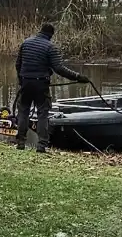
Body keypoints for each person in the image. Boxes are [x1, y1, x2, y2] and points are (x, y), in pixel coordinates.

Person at [14, 22, 89, 152]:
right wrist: (78, 77)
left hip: (26, 82)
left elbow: (18, 64)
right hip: (41, 84)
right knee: (43, 113)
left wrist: (22, 80)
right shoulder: (50, 47)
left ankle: (20, 143)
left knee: (23, 111)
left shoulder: (26, 43)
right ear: (51, 35)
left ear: (40, 31)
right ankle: (42, 145)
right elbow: (59, 68)